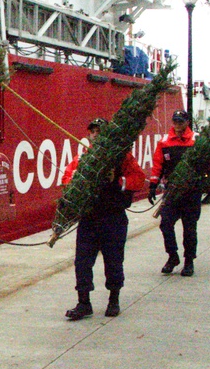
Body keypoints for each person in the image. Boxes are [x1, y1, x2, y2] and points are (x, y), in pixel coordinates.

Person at [61, 118, 145, 320]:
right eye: (93, 131)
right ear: (89, 135)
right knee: (82, 262)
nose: (96, 135)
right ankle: (84, 303)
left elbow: (139, 178)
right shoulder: (83, 158)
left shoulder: (122, 157)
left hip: (113, 217)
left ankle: (113, 300)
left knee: (114, 261)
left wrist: (118, 181)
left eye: (100, 131)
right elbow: (66, 178)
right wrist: (80, 182)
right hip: (89, 218)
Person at [148, 110, 200, 277]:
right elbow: (158, 164)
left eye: (181, 121)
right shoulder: (164, 142)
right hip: (172, 191)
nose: (177, 125)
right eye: (175, 121)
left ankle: (189, 261)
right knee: (165, 224)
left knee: (189, 227)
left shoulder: (196, 140)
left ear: (187, 122)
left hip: (191, 191)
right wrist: (152, 185)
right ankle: (173, 256)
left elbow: (207, 163)